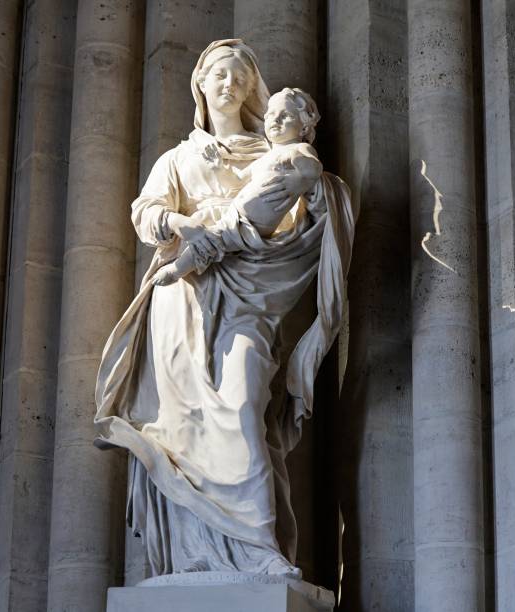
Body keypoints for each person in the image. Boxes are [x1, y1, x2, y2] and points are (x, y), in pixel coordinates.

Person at [93, 39, 356, 578]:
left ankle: (257, 544)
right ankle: (196, 555)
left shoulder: (273, 153)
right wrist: (180, 224)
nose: (228, 84)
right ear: (200, 84)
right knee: (181, 424)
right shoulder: (178, 158)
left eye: (239, 75)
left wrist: (318, 195)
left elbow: (301, 214)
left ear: (252, 88)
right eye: (217, 74)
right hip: (181, 298)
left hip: (247, 293)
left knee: (240, 404)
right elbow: (146, 214)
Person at [150, 87, 323, 287]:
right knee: (213, 238)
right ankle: (180, 267)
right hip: (238, 213)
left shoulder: (297, 150)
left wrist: (297, 181)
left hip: (256, 222)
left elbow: (313, 169)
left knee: (214, 241)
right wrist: (219, 168)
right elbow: (238, 178)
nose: (276, 120)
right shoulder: (266, 157)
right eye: (272, 114)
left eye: (285, 116)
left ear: (303, 128)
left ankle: (177, 269)